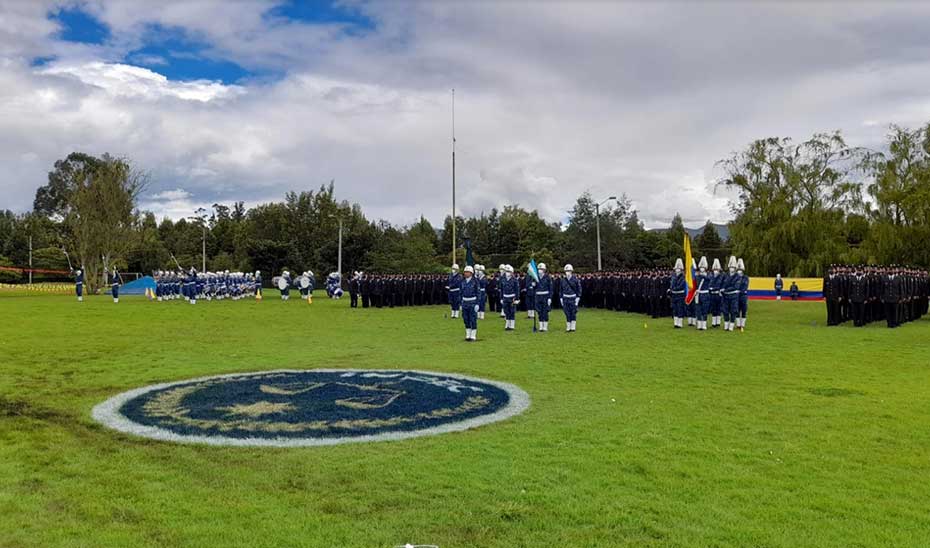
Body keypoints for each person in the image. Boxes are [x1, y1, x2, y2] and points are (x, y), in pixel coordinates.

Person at [560, 264, 582, 332]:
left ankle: (573, 327)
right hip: (565, 298)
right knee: (567, 312)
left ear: (571, 271)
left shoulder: (575, 279)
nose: (567, 272)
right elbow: (560, 290)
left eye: (569, 270)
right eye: (566, 271)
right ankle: (568, 327)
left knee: (573, 312)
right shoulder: (563, 280)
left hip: (573, 298)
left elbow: (579, 289)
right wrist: (561, 298)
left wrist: (578, 298)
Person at [460, 265, 479, 341]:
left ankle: (473, 335)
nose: (466, 273)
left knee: (473, 318)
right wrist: (460, 303)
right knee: (465, 318)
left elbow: (478, 293)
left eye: (467, 272)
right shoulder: (463, 281)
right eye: (465, 272)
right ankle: (468, 334)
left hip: (472, 302)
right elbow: (460, 293)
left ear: (471, 273)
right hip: (465, 302)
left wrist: (477, 303)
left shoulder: (475, 282)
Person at [721, 256, 739, 332]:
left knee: (733, 310)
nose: (731, 269)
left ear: (735, 268)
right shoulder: (725, 275)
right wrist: (721, 289)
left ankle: (731, 325)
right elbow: (722, 283)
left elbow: (735, 286)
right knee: (725, 310)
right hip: (725, 296)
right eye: (730, 267)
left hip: (733, 296)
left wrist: (725, 289)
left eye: (733, 267)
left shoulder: (737, 277)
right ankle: (726, 324)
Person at [669, 258, 686, 328]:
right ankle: (675, 323)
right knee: (674, 309)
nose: (677, 270)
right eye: (676, 268)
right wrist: (670, 289)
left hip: (680, 295)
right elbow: (672, 285)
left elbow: (680, 286)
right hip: (674, 295)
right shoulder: (673, 276)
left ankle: (680, 323)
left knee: (680, 309)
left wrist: (673, 289)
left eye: (678, 268)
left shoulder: (683, 277)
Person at [535, 263, 552, 331]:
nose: (540, 270)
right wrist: (533, 285)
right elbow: (534, 288)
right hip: (538, 296)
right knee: (539, 311)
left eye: (541, 269)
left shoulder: (548, 278)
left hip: (545, 296)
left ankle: (545, 326)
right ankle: (541, 326)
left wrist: (550, 297)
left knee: (545, 311)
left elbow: (550, 288)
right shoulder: (535, 277)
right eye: (539, 269)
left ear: (544, 270)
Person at [695, 256, 709, 331]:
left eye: (703, 267)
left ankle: (704, 324)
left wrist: (703, 275)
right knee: (698, 309)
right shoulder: (697, 276)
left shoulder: (708, 275)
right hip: (698, 294)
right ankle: (699, 324)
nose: (702, 268)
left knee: (705, 309)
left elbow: (709, 280)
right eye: (701, 267)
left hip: (705, 294)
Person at [709, 258, 723, 328]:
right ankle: (714, 322)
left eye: (717, 270)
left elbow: (719, 285)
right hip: (712, 294)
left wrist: (713, 288)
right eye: (714, 270)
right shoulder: (711, 276)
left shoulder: (721, 277)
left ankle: (718, 322)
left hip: (718, 294)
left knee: (719, 308)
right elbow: (709, 285)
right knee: (713, 308)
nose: (715, 271)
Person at [736, 258, 750, 331]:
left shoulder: (745, 278)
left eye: (740, 269)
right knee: (737, 310)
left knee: (744, 310)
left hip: (743, 295)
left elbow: (745, 286)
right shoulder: (735, 277)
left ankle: (743, 324)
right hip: (736, 295)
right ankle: (738, 324)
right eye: (738, 269)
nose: (739, 271)